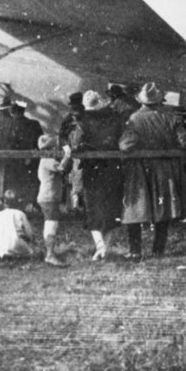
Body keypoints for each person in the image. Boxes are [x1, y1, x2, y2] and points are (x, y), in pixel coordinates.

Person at [118, 82, 186, 260]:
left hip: (141, 169)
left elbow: (125, 145)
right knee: (164, 209)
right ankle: (158, 250)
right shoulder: (171, 118)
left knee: (136, 210)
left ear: (141, 101)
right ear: (158, 101)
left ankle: (135, 250)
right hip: (165, 170)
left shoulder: (135, 119)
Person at [73, 90, 125, 260]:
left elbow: (75, 144)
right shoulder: (115, 120)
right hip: (112, 168)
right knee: (111, 209)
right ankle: (105, 248)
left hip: (92, 170)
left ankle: (100, 247)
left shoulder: (82, 121)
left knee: (93, 210)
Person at [36, 133, 73, 266]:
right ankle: (50, 254)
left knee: (50, 224)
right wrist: (67, 155)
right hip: (49, 196)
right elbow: (62, 167)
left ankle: (49, 253)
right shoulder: (48, 160)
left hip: (48, 196)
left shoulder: (45, 160)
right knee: (51, 224)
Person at [0, 189, 35, 259]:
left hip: (0, 244)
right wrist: (32, 240)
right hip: (16, 243)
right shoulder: (20, 214)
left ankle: (3, 252)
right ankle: (18, 253)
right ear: (17, 201)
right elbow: (29, 232)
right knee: (31, 251)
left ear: (3, 203)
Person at [59, 91, 85, 213]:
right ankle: (71, 204)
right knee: (68, 175)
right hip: (70, 150)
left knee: (79, 176)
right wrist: (66, 147)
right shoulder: (68, 118)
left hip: (81, 150)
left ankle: (78, 204)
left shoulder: (86, 116)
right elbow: (62, 135)